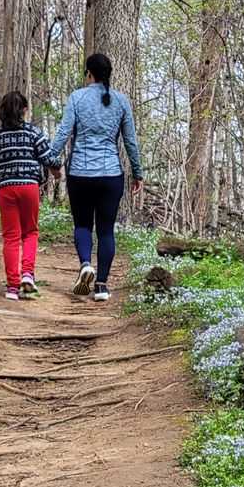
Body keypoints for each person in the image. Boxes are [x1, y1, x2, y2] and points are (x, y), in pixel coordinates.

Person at [49, 53, 144, 302]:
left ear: (89, 73)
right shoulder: (121, 101)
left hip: (80, 173)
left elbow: (62, 134)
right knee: (105, 231)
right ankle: (101, 285)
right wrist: (138, 173)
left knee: (82, 225)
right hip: (111, 175)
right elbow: (130, 142)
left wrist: (51, 160)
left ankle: (84, 265)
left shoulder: (77, 98)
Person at [0, 91, 60, 301]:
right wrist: (57, 169)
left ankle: (12, 287)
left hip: (5, 189)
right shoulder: (33, 133)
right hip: (29, 187)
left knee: (11, 237)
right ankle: (28, 274)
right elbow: (48, 156)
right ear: (24, 110)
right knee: (31, 233)